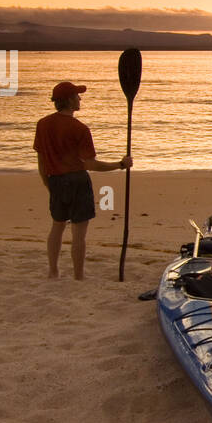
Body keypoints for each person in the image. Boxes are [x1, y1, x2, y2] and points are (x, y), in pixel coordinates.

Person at [33, 81, 132, 279]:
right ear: (69, 101)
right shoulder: (79, 129)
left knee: (57, 225)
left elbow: (41, 160)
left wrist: (48, 183)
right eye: (77, 96)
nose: (80, 99)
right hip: (77, 180)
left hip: (55, 180)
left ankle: (53, 271)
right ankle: (78, 275)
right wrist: (120, 165)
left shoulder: (42, 124)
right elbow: (90, 164)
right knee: (79, 233)